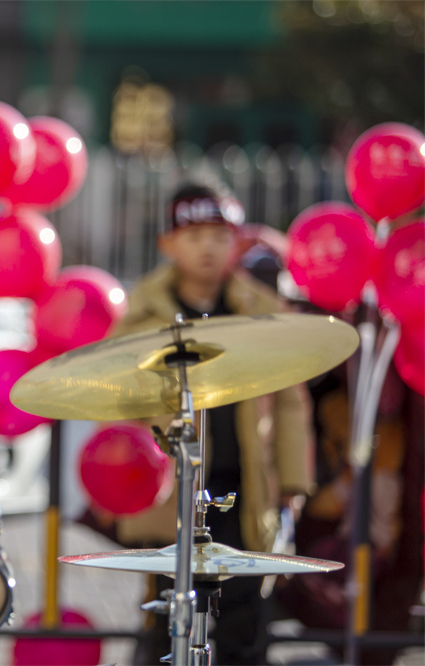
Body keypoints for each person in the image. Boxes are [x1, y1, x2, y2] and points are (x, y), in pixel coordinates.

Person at [84, 182, 316, 665]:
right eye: (193, 236)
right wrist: (119, 479)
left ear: (237, 241)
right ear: (167, 243)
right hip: (170, 492)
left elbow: (291, 402)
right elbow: (116, 399)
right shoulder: (143, 313)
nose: (207, 247)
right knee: (166, 612)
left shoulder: (261, 311)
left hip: (244, 485)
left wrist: (292, 481)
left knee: (245, 614)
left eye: (219, 235)